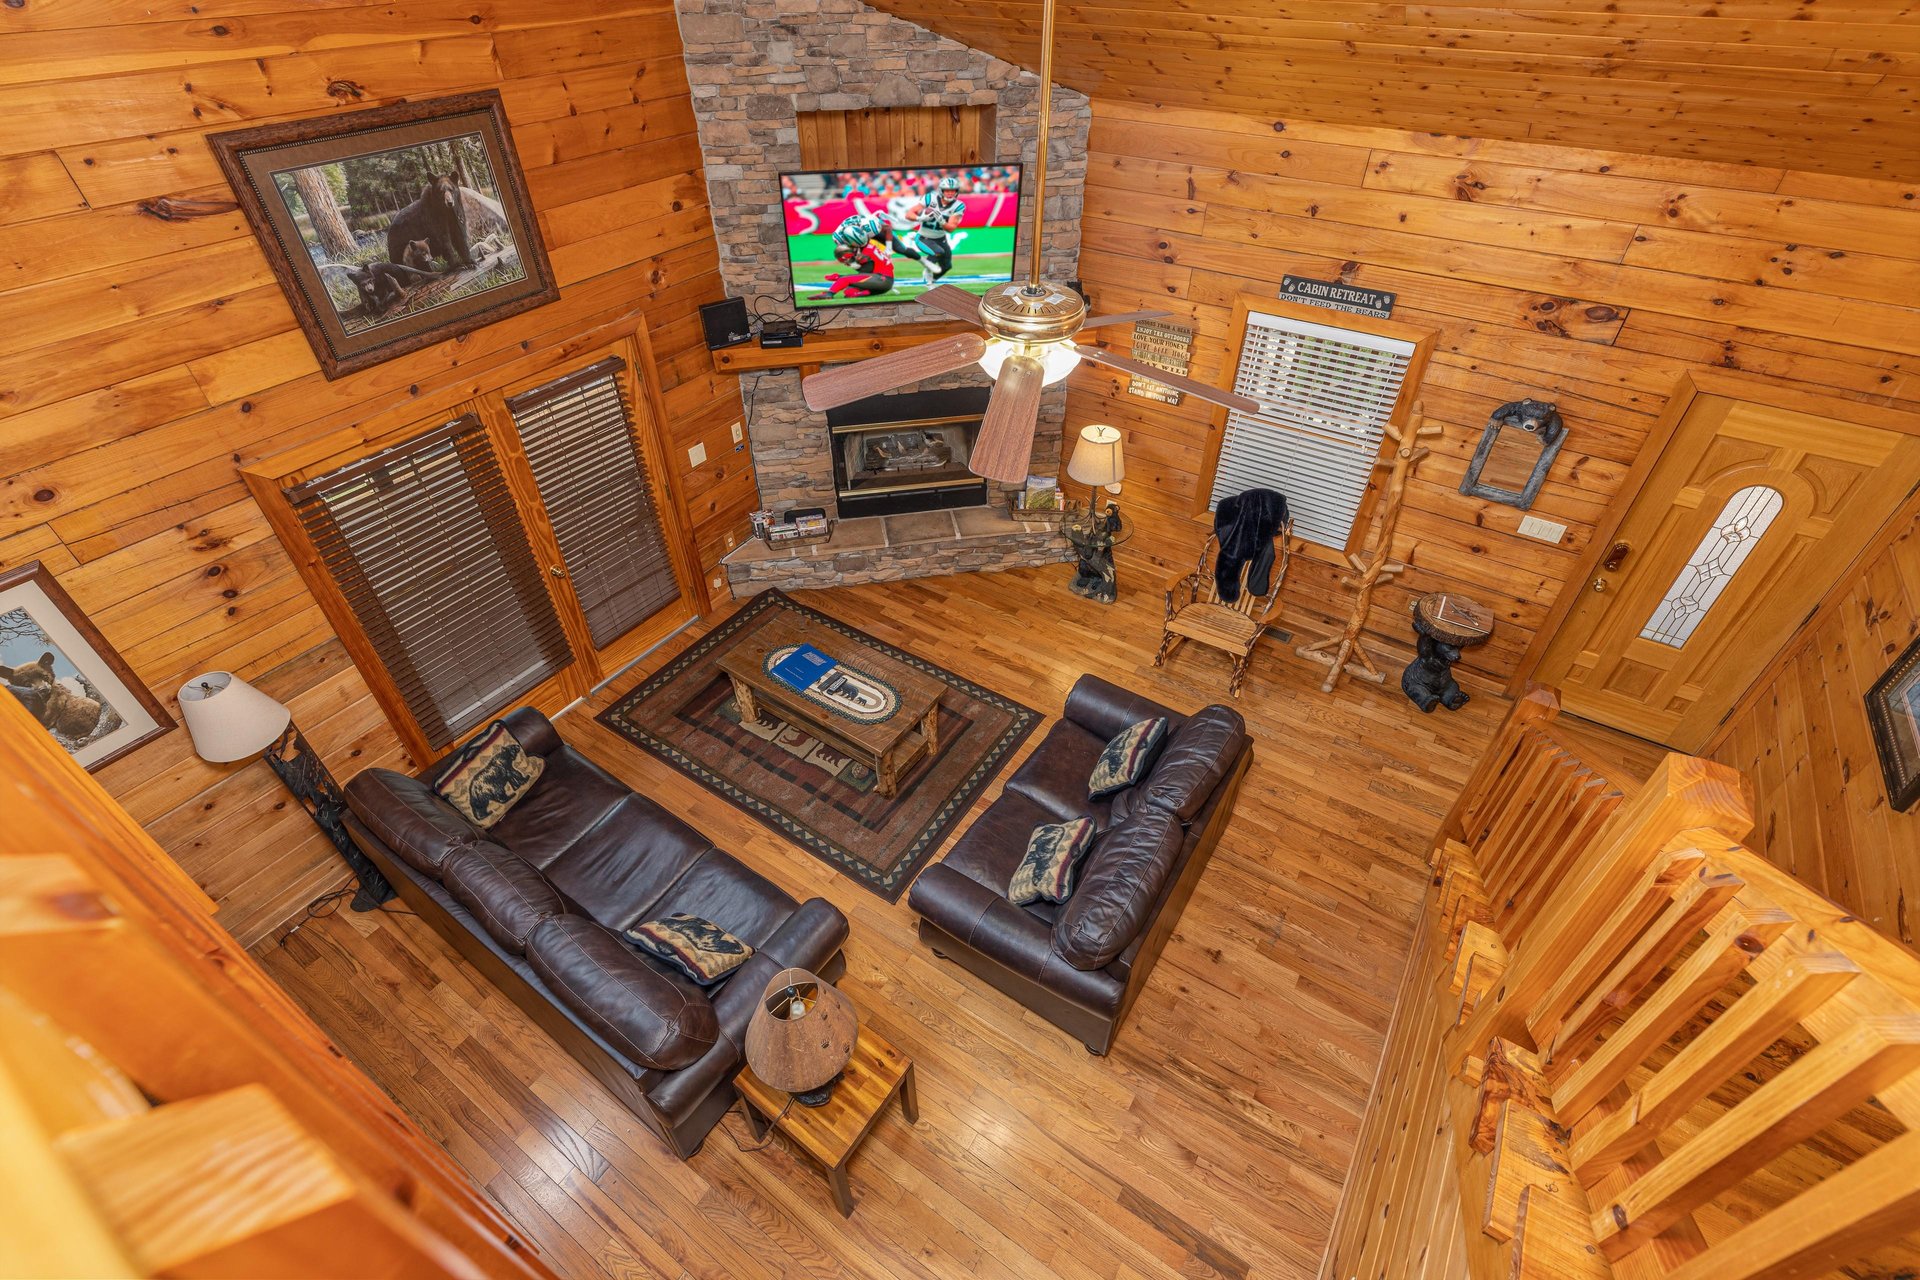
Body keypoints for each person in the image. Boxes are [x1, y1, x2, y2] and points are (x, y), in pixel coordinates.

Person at [888, 175, 969, 288]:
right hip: (923, 237)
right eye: (947, 190)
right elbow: (908, 214)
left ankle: (930, 282)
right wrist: (920, 218)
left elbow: (951, 229)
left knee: (946, 266)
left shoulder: (958, 206)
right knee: (938, 251)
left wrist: (942, 221)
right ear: (941, 191)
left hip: (941, 239)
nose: (950, 193)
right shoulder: (930, 198)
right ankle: (928, 269)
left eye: (953, 190)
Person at [813, 213, 895, 300]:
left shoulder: (864, 254)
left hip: (881, 279)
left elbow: (864, 271)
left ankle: (829, 294)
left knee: (845, 279)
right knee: (849, 292)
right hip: (883, 282)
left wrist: (839, 276)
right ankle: (866, 292)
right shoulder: (869, 246)